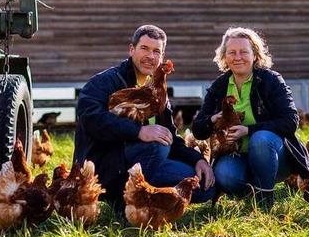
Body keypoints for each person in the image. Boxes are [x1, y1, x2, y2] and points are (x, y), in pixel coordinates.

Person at [74, 25, 215, 212]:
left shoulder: (157, 92)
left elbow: (171, 137)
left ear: (162, 57)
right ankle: (126, 203)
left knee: (203, 186)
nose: (150, 56)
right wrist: (138, 132)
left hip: (144, 162)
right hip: (105, 165)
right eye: (144, 48)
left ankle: (147, 197)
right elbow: (90, 118)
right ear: (131, 49)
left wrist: (197, 159)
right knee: (158, 145)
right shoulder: (105, 82)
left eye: (157, 51)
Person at [192, 27, 309, 210]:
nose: (237, 57)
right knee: (225, 174)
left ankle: (265, 200)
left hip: (275, 157)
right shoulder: (220, 86)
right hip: (238, 156)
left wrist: (248, 130)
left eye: (244, 51)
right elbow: (198, 130)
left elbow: (290, 121)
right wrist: (212, 119)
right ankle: (252, 192)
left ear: (255, 55)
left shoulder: (270, 80)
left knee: (261, 139)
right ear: (224, 56)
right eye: (231, 52)